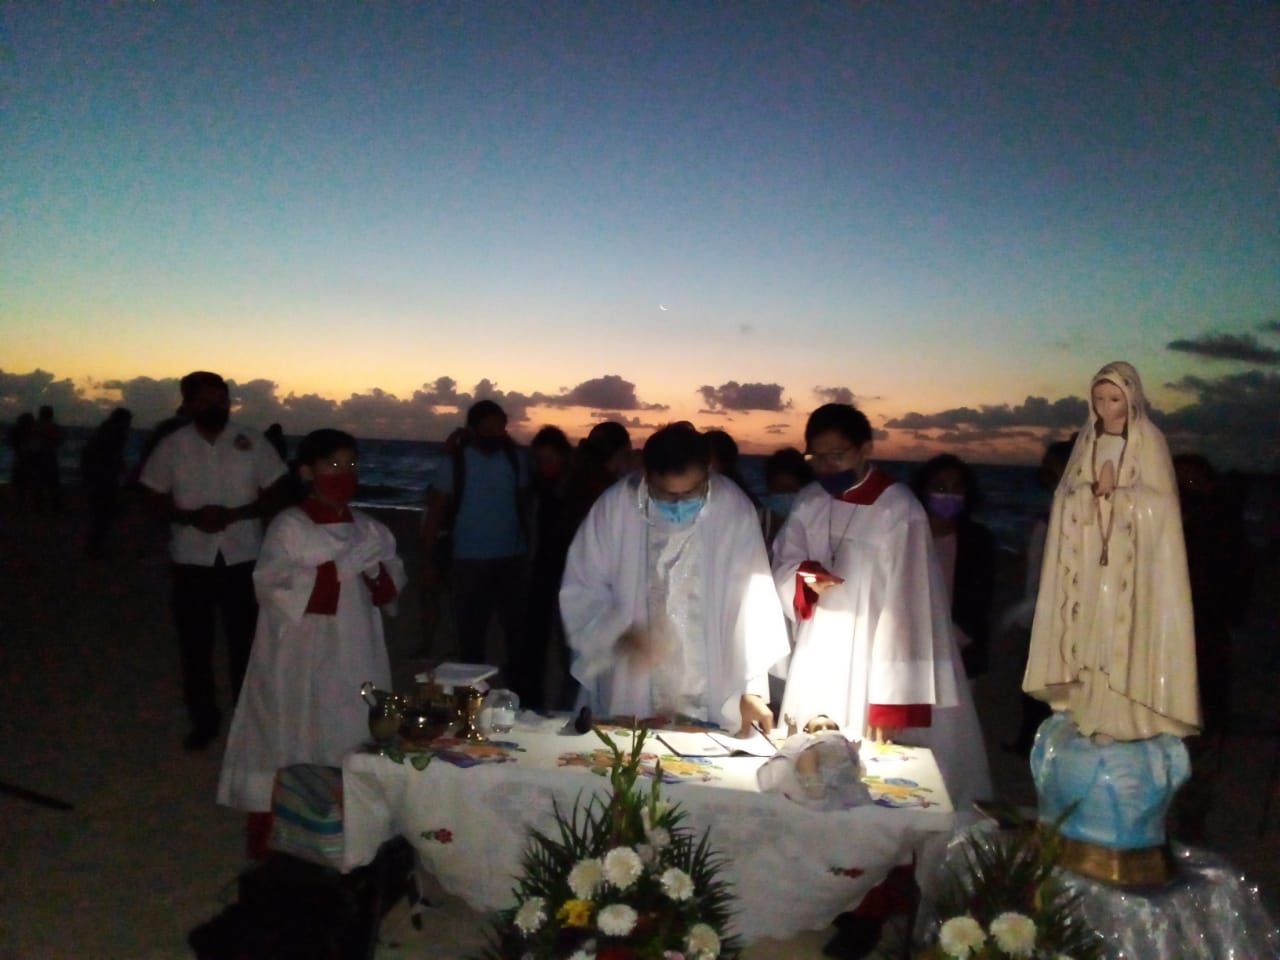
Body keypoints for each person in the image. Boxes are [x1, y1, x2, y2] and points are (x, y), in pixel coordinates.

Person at [770, 403, 991, 811]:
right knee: (809, 759)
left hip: (872, 655)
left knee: (868, 771)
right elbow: (783, 558)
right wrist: (804, 577)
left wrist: (890, 700)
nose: (826, 466)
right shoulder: (809, 500)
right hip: (819, 647)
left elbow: (908, 607)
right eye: (817, 457)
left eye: (837, 455)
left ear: (864, 449)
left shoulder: (897, 509)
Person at [217, 429, 405, 852]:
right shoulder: (290, 526)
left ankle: (355, 826)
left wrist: (378, 574)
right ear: (307, 470)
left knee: (352, 723)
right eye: (332, 464)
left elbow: (390, 588)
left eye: (351, 464)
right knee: (294, 728)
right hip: (299, 651)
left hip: (356, 648)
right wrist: (335, 570)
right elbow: (272, 586)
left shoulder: (370, 528)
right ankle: (283, 830)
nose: (344, 473)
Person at [560, 422, 787, 734]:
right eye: (666, 494)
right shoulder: (615, 507)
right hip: (633, 677)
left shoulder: (733, 510)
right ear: (645, 474)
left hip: (711, 676)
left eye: (691, 492)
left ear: (709, 472)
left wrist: (753, 688)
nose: (680, 503)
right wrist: (617, 632)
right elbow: (582, 585)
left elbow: (753, 604)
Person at [1023, 361, 1200, 741]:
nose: (1106, 406)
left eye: (1114, 398)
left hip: (1128, 563)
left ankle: (1124, 715)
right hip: (1089, 556)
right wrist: (1088, 495)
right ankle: (1087, 706)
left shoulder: (1148, 439)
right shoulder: (1088, 439)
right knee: (1088, 632)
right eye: (1099, 398)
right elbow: (1066, 494)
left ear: (1131, 397)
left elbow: (1164, 505)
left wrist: (1119, 495)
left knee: (1120, 633)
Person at [138, 372, 289, 750]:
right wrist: (189, 517)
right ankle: (203, 722)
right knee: (195, 646)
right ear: (188, 404)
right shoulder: (172, 446)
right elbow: (150, 495)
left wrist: (237, 514)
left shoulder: (252, 441)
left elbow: (280, 490)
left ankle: (247, 720)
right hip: (191, 559)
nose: (215, 407)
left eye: (221, 400)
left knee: (246, 644)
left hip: (243, 556)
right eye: (205, 400)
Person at [420, 400, 529, 669]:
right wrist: (428, 555)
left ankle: (518, 690)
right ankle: (473, 696)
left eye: (500, 427)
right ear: (473, 428)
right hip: (467, 559)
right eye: (488, 428)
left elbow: (526, 505)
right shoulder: (454, 462)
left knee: (516, 632)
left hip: (512, 557)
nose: (495, 434)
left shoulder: (516, 459)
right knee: (471, 634)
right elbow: (436, 510)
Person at [1002, 437, 1073, 756]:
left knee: (1050, 686)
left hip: (1057, 616)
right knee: (1033, 683)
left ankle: (1043, 746)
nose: (1046, 472)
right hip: (1040, 610)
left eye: (1052, 466)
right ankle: (1030, 742)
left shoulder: (1075, 514)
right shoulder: (1056, 508)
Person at [910, 454, 995, 680]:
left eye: (956, 488)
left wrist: (957, 639)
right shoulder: (905, 537)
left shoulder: (978, 540)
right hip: (908, 650)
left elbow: (980, 600)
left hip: (959, 654)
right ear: (923, 491)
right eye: (939, 487)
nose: (948, 494)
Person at [519, 425, 575, 709]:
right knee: (534, 646)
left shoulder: (574, 491)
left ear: (564, 457)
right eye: (540, 460)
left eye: (550, 460)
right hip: (541, 574)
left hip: (569, 577)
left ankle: (569, 707)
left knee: (570, 650)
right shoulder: (537, 490)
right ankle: (532, 705)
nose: (545, 466)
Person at [80, 407, 133, 557]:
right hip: (104, 478)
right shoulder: (115, 434)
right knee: (103, 514)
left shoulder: (102, 432)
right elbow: (114, 456)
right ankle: (93, 548)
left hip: (98, 477)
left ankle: (93, 546)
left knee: (101, 513)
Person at [759, 447, 812, 556]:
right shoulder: (755, 522)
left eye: (791, 490)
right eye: (779, 491)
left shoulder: (816, 526)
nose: (785, 496)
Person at [29, 405, 64, 513]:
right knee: (52, 485)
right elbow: (59, 441)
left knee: (38, 484)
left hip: (37, 457)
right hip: (49, 457)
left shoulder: (35, 426)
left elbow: (30, 442)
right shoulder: (53, 427)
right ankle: (55, 507)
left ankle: (38, 507)